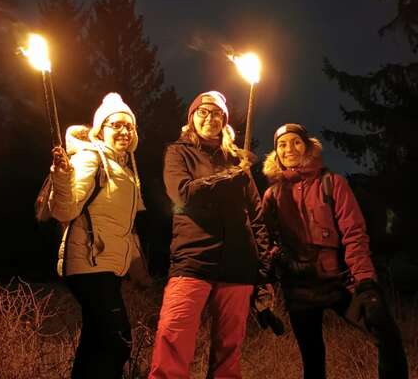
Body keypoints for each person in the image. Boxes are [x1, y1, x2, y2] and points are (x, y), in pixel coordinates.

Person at [259, 123, 408, 379]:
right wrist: (263, 294)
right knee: (313, 361)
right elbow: (268, 246)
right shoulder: (272, 195)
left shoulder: (332, 183)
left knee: (387, 335)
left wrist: (366, 284)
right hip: (299, 290)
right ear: (276, 154)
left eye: (295, 142)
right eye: (282, 145)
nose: (289, 148)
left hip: (339, 283)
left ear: (307, 147)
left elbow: (354, 234)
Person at [149, 91, 270, 379]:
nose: (209, 118)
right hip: (194, 260)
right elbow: (183, 194)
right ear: (191, 118)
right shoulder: (179, 152)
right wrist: (227, 178)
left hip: (238, 265)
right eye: (202, 112)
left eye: (216, 113)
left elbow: (257, 217)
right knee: (173, 338)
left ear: (224, 120)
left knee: (229, 350)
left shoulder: (237, 161)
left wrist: (265, 270)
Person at [49, 92, 147, 379]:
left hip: (107, 267)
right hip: (89, 264)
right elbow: (64, 211)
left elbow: (124, 228)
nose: (124, 131)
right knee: (117, 341)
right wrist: (62, 177)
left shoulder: (124, 169)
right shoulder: (91, 158)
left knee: (95, 344)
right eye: (115, 125)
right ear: (100, 130)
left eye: (128, 126)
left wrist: (138, 268)